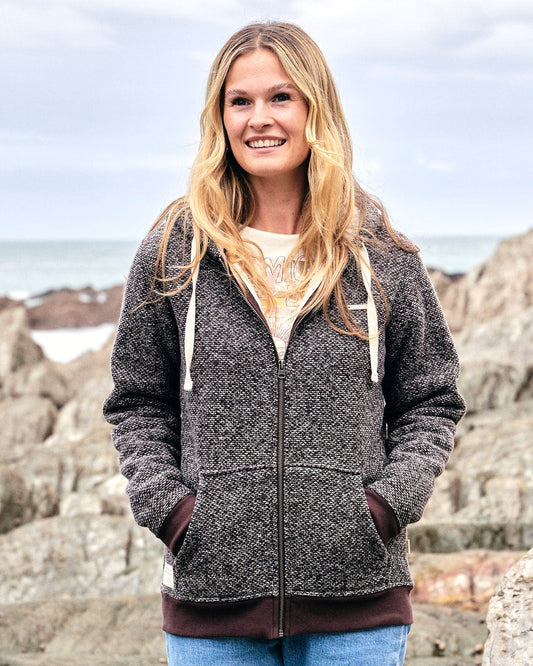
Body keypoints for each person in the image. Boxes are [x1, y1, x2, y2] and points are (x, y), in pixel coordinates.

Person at [103, 21, 465, 666]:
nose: (259, 119)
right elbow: (136, 403)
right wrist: (176, 513)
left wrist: (386, 505)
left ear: (314, 109)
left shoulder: (380, 254)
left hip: (357, 604)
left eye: (281, 97)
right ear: (220, 118)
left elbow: (432, 400)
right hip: (212, 607)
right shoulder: (174, 253)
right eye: (239, 101)